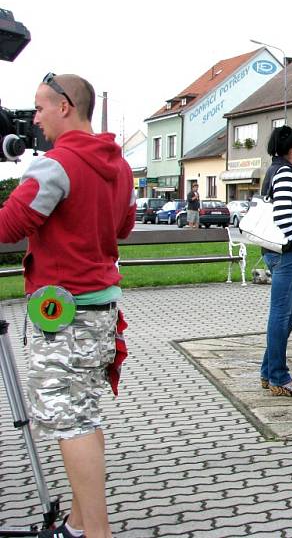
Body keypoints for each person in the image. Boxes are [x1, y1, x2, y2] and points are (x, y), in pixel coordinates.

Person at [0, 73, 136, 538]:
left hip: (64, 315)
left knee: (70, 422)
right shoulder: (117, 165)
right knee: (85, 415)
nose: (34, 119)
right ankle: (79, 525)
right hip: (101, 311)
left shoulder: (54, 165)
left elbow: (11, 225)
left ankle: (98, 534)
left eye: (39, 108)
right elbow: (123, 227)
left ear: (64, 106)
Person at [259, 125, 292, 397]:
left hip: (281, 253)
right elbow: (282, 214)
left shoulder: (277, 169)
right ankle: (279, 376)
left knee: (290, 310)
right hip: (288, 254)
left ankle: (268, 370)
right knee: (281, 314)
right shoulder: (285, 174)